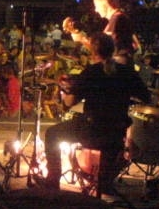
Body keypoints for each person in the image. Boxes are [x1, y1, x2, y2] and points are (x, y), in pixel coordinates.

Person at [42, 33, 150, 195]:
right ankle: (104, 183)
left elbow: (70, 103)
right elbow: (146, 97)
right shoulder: (127, 72)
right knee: (119, 146)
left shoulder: (91, 72)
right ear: (113, 50)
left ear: (94, 52)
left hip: (92, 132)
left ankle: (52, 181)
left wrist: (66, 91)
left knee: (52, 134)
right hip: (115, 134)